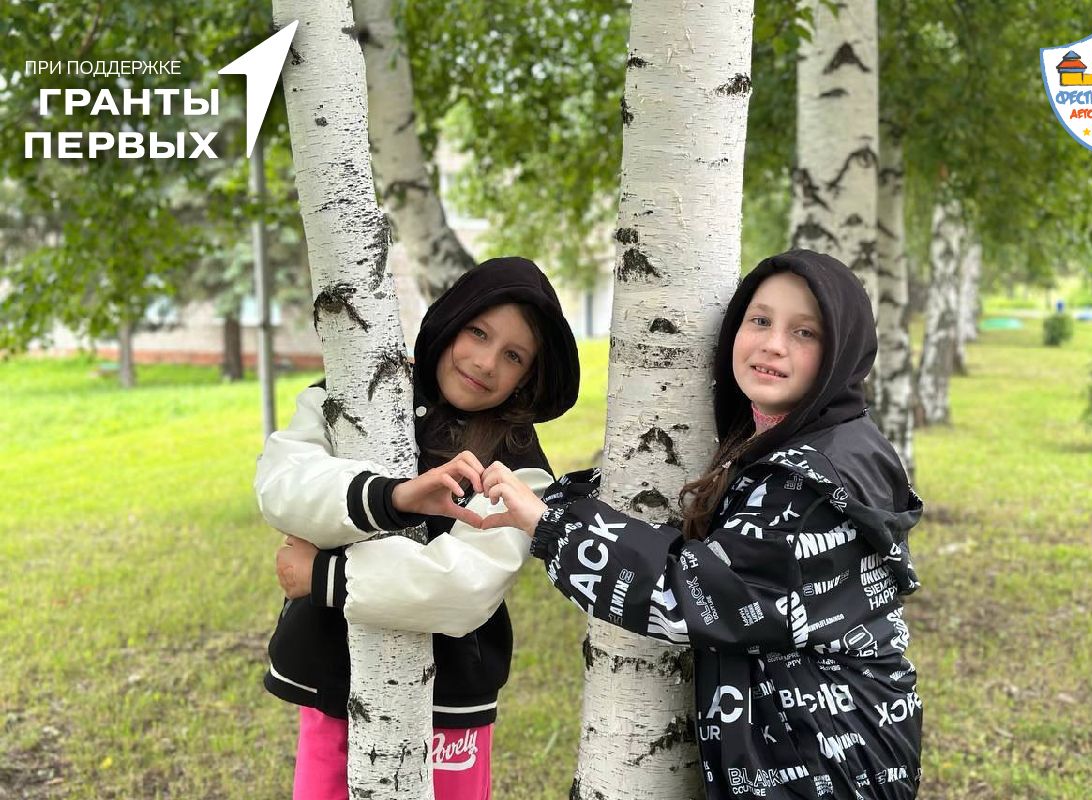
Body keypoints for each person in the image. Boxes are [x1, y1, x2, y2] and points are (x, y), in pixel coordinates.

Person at [479, 250, 923, 799]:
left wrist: (552, 526)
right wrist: (569, 497)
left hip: (823, 763)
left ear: (841, 352)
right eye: (759, 320)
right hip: (831, 742)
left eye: (805, 332)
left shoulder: (807, 487)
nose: (773, 344)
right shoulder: (810, 442)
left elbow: (690, 593)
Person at [254, 256, 580, 800]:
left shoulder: (518, 465)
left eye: (513, 355)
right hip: (333, 671)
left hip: (450, 695)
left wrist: (324, 575)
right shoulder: (355, 399)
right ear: (451, 320)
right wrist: (393, 497)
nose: (485, 362)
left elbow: (464, 585)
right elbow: (285, 483)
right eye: (478, 332)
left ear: (528, 377)